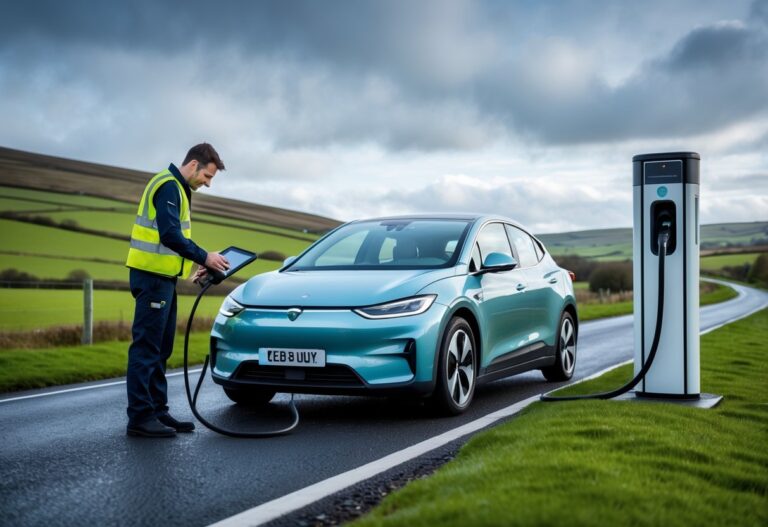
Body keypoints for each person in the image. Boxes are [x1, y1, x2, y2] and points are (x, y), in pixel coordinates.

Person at [125, 143, 230, 438]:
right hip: (151, 278)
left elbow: (172, 241)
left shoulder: (178, 188)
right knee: (146, 348)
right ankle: (140, 417)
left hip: (163, 278)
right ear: (194, 165)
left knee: (161, 348)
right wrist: (205, 257)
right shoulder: (169, 186)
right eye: (207, 176)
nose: (208, 184)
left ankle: (157, 411)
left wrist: (197, 264)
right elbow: (169, 235)